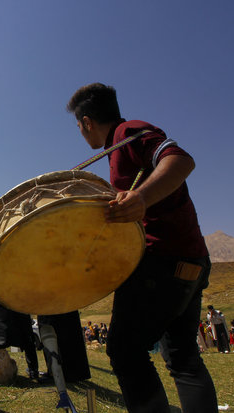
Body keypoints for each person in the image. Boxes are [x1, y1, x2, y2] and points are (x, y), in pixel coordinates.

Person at [67, 83, 217, 412]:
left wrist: (142, 198)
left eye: (78, 127)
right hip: (190, 261)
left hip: (160, 263)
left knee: (124, 351)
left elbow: (180, 160)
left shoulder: (130, 132)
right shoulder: (118, 148)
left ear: (88, 122)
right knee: (183, 358)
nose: (80, 133)